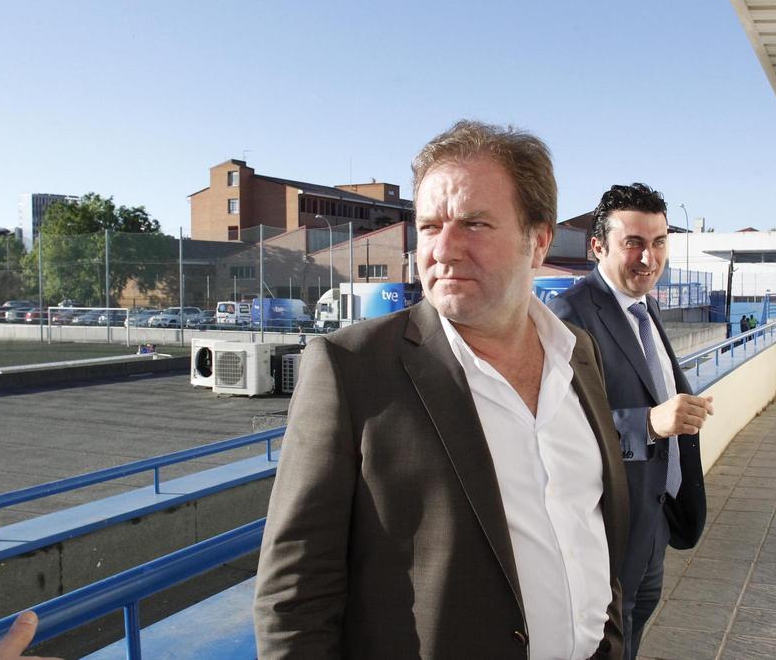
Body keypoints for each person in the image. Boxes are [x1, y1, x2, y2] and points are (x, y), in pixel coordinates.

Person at [254, 120, 629, 659]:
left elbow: (593, 524)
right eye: (429, 226)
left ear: (538, 241)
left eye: (474, 224)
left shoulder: (578, 352)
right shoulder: (351, 369)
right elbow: (294, 597)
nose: (444, 249)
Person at [548, 183, 713, 660]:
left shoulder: (646, 304)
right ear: (597, 246)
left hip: (653, 521)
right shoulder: (569, 313)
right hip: (607, 536)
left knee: (631, 644)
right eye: (634, 243)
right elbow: (558, 427)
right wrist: (650, 423)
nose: (649, 257)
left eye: (659, 242)